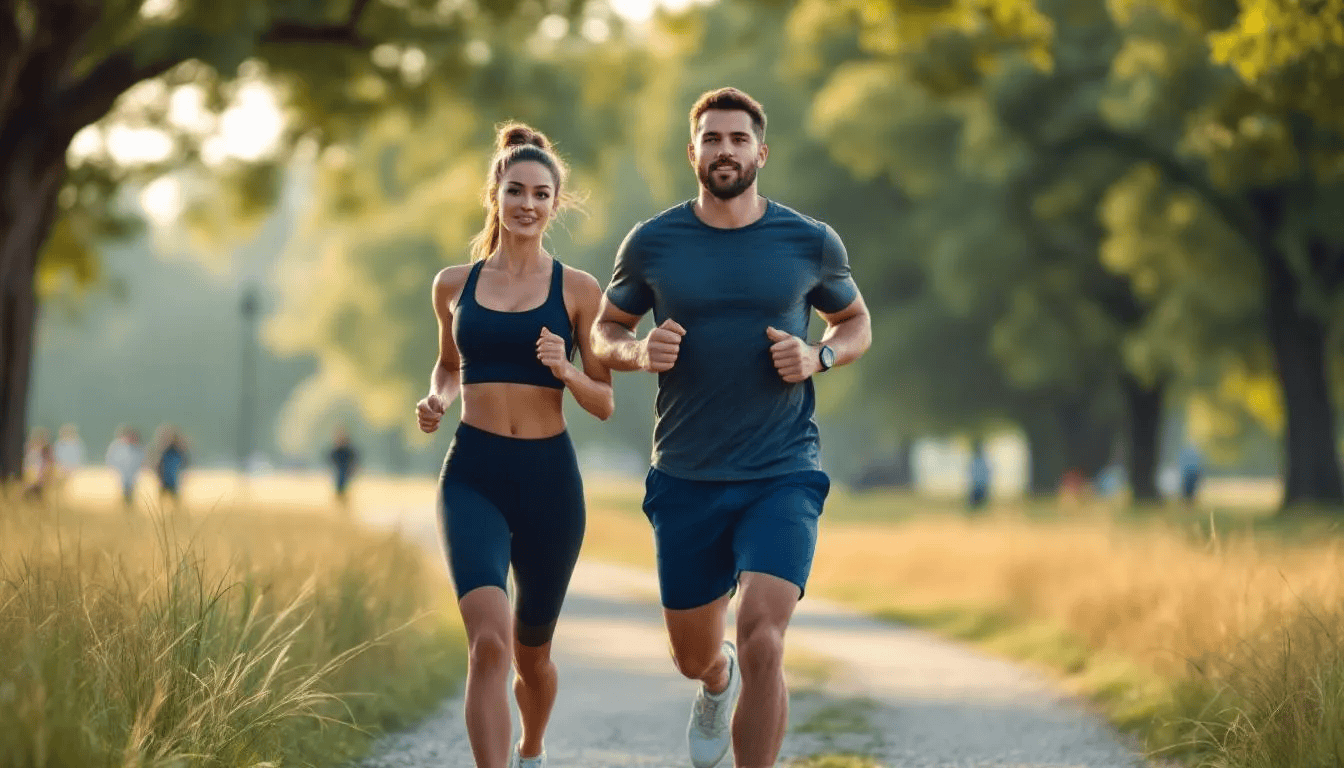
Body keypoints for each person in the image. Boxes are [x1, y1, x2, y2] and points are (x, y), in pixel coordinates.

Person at [591, 87, 871, 768]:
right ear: (692, 152)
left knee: (763, 636)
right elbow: (604, 329)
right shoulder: (653, 242)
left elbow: (856, 322)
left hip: (783, 470)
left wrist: (819, 356)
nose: (725, 151)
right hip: (686, 473)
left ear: (761, 152)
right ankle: (716, 683)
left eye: (738, 139)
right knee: (694, 655)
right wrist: (634, 352)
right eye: (712, 139)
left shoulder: (808, 241)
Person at [414, 122, 613, 768]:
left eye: (541, 194)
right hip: (473, 473)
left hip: (549, 483)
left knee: (533, 656)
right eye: (516, 190)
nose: (528, 204)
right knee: (489, 646)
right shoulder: (453, 285)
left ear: (556, 204)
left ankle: (531, 746)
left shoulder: (579, 290)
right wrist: (438, 399)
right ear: (494, 195)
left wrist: (567, 370)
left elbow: (604, 401)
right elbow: (448, 365)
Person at [105, 426, 146, 510]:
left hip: (132, 475)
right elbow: (112, 460)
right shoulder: (118, 447)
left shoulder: (137, 448)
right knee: (124, 490)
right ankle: (124, 506)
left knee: (130, 491)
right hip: (121, 474)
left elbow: (140, 461)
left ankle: (128, 507)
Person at [152, 425, 190, 511]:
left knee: (171, 503)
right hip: (166, 480)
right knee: (164, 504)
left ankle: (172, 515)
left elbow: (184, 464)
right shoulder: (165, 452)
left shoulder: (176, 452)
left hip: (172, 480)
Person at [328, 425, 360, 510]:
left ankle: (343, 504)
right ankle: (340, 504)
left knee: (343, 487)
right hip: (340, 472)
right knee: (340, 487)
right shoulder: (337, 450)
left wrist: (353, 469)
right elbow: (332, 459)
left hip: (345, 472)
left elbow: (354, 460)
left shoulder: (348, 450)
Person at [967, 439, 990, 512]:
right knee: (975, 506)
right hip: (977, 486)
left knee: (980, 506)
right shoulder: (976, 460)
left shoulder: (981, 460)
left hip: (980, 486)